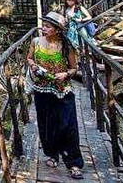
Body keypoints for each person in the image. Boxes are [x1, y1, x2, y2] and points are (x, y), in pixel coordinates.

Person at [26, 11, 84, 179]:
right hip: (42, 89)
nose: (43, 29)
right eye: (43, 25)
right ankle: (52, 154)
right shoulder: (36, 42)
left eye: (47, 26)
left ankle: (74, 162)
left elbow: (74, 68)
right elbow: (29, 59)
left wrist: (66, 74)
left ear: (58, 30)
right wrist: (34, 66)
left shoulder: (66, 46)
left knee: (68, 125)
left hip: (62, 90)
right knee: (46, 124)